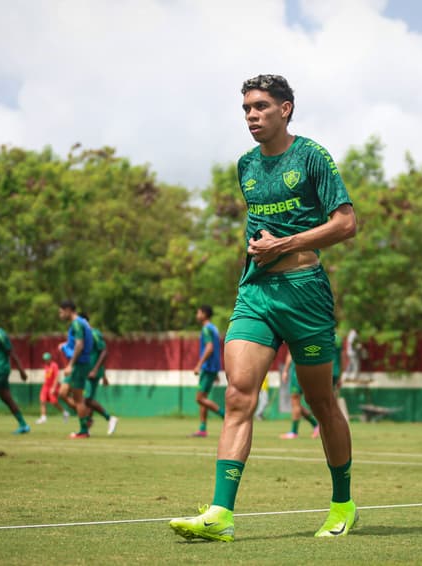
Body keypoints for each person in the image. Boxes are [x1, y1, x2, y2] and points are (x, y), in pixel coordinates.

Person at [170, 74, 358, 541]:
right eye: (246, 110)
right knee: (238, 395)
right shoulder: (245, 165)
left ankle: (343, 504)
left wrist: (286, 243)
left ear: (285, 109)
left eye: (260, 107)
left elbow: (346, 224)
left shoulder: (312, 156)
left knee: (320, 403)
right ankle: (220, 514)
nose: (252, 116)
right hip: (256, 293)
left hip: (306, 293)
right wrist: (261, 252)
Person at [57, 299, 94, 439]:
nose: (60, 315)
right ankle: (86, 418)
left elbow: (79, 345)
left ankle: (84, 430)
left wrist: (70, 364)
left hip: (79, 364)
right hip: (80, 363)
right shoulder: (82, 322)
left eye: (61, 312)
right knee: (62, 393)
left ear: (68, 310)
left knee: (78, 398)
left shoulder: (77, 323)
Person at [191, 305, 224, 437]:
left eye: (198, 312)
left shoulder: (206, 329)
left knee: (199, 398)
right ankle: (202, 428)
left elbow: (210, 348)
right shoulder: (214, 328)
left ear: (204, 314)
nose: (197, 314)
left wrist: (199, 364)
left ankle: (225, 416)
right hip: (213, 367)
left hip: (208, 367)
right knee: (203, 398)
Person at [82, 315, 118, 435]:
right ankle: (86, 427)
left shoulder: (94, 333)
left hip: (92, 372)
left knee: (86, 399)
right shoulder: (84, 336)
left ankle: (109, 418)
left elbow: (104, 352)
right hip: (88, 371)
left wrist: (96, 370)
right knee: (87, 400)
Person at [279, 350, 319, 439]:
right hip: (310, 369)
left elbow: (290, 353)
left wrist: (285, 370)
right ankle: (316, 425)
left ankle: (294, 432)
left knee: (295, 402)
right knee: (296, 404)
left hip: (297, 371)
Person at [36, 352, 68, 424]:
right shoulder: (46, 365)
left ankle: (65, 413)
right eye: (44, 359)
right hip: (45, 386)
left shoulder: (54, 365)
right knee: (42, 400)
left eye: (47, 359)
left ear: (50, 359)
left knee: (54, 402)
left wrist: (53, 387)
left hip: (53, 386)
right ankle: (43, 418)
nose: (46, 360)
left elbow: (57, 376)